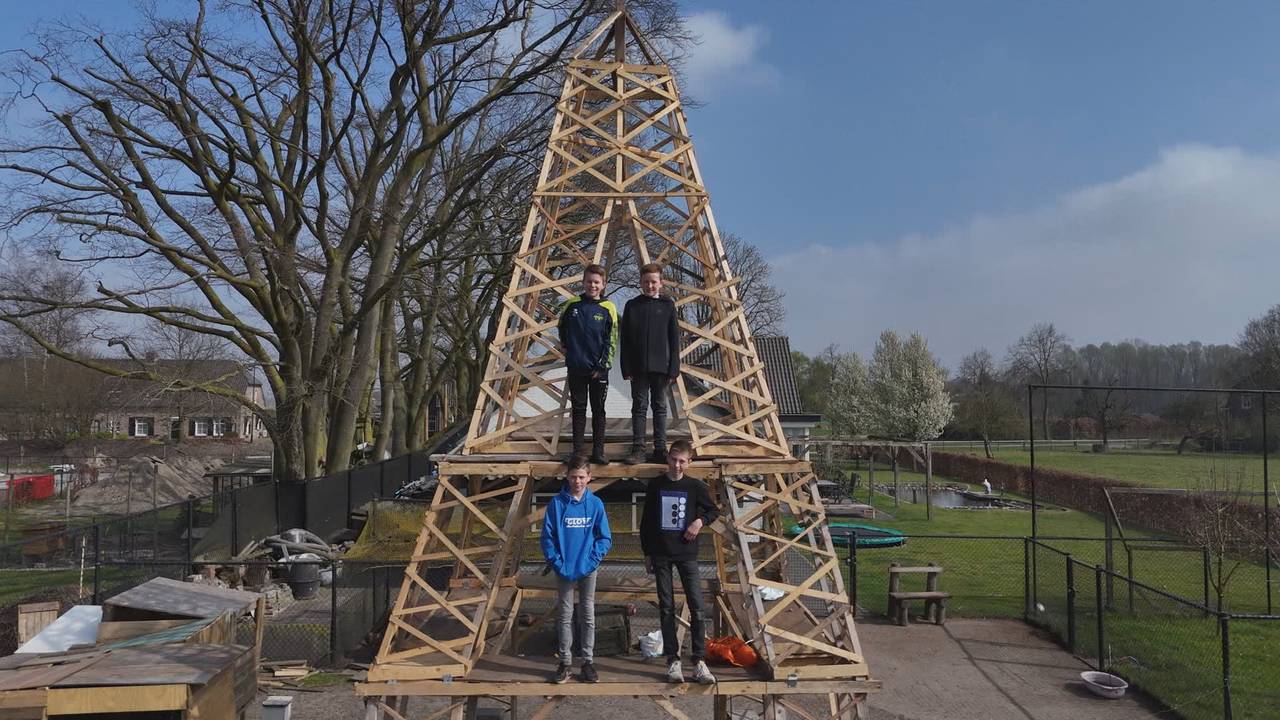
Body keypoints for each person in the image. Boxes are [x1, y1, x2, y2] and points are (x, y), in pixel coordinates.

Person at [640, 439, 718, 684]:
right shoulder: (656, 485)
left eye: (682, 461)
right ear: (668, 459)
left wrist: (699, 522)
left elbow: (713, 510)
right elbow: (647, 521)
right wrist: (647, 553)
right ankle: (673, 660)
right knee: (666, 606)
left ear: (689, 462)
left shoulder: (695, 486)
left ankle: (699, 660)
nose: (676, 465)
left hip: (687, 553)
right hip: (661, 553)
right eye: (673, 459)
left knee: (696, 605)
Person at [541, 453, 613, 684]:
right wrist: (557, 563)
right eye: (573, 477)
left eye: (582, 477)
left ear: (589, 477)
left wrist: (592, 560)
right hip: (564, 569)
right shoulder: (557, 504)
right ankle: (565, 662)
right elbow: (547, 538)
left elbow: (605, 538)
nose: (577, 481)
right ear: (567, 477)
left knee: (587, 614)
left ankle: (588, 662)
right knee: (564, 615)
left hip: (587, 568)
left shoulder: (595, 504)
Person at [558, 264, 619, 464]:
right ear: (583, 282)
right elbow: (561, 327)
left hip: (598, 370)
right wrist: (566, 348)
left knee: (598, 410)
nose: (593, 285)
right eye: (589, 281)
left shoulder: (608, 307)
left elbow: (612, 339)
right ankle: (577, 452)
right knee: (578, 409)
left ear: (603, 285)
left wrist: (602, 366)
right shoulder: (572, 305)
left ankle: (598, 451)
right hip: (576, 366)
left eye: (597, 282)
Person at [621, 262, 679, 465]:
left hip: (661, 367)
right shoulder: (632, 306)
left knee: (660, 407)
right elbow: (625, 340)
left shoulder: (668, 306)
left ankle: (660, 449)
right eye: (646, 282)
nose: (650, 285)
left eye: (653, 282)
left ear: (660, 283)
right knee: (639, 407)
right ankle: (638, 449)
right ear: (641, 283)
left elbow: (674, 340)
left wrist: (674, 368)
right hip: (638, 367)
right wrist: (625, 367)